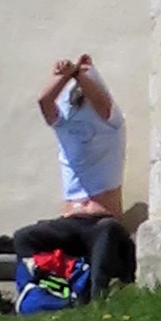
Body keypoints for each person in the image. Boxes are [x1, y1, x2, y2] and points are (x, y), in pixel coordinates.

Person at [38, 52, 126, 215]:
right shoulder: (63, 123)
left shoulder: (112, 121)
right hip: (72, 218)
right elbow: (44, 101)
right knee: (31, 231)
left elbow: (100, 101)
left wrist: (77, 72)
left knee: (106, 231)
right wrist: (64, 76)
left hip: (103, 217)